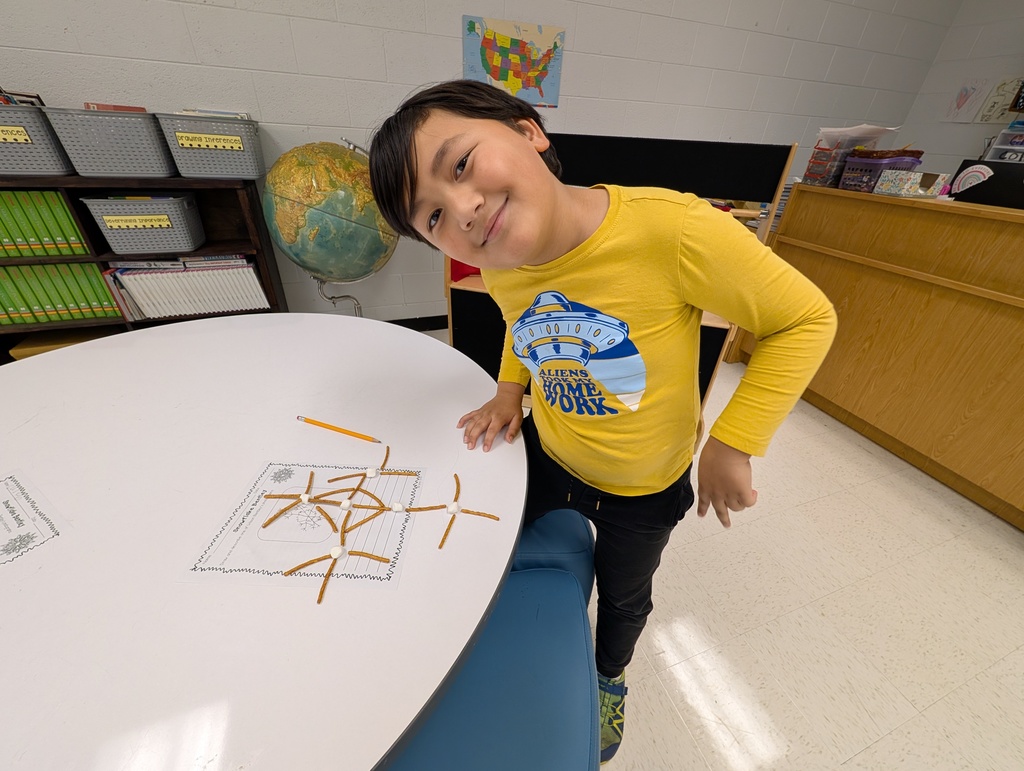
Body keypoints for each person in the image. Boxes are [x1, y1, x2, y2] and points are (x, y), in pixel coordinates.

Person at [369, 79, 837, 764]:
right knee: (494, 552)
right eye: (432, 217)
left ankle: (609, 676)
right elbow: (520, 320)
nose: (463, 210)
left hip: (643, 484)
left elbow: (804, 318)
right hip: (552, 455)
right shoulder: (502, 261)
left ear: (529, 130)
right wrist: (509, 389)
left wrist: (733, 443)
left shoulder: (671, 228)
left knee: (623, 596)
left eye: (461, 164)